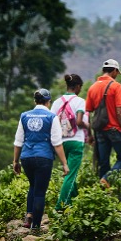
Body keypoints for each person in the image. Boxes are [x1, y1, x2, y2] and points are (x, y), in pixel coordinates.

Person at [13, 89, 69, 230]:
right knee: (40, 191)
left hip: (26, 158)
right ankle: (36, 227)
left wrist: (15, 161)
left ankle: (29, 216)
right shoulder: (51, 117)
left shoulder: (24, 116)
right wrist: (64, 163)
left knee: (33, 185)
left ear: (35, 101)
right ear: (48, 102)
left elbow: (18, 141)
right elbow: (57, 143)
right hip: (44, 158)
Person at [85, 58, 121, 188]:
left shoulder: (92, 88)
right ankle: (106, 179)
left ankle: (103, 194)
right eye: (117, 72)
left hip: (99, 131)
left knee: (103, 162)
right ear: (115, 71)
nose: (117, 75)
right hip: (114, 130)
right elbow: (120, 112)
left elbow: (87, 113)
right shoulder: (116, 86)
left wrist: (89, 135)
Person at [50, 74, 88, 211]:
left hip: (60, 143)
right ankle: (60, 208)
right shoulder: (80, 101)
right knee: (70, 175)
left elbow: (52, 122)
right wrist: (89, 128)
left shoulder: (56, 102)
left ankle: (75, 203)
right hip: (75, 140)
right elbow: (79, 121)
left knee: (70, 173)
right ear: (77, 87)